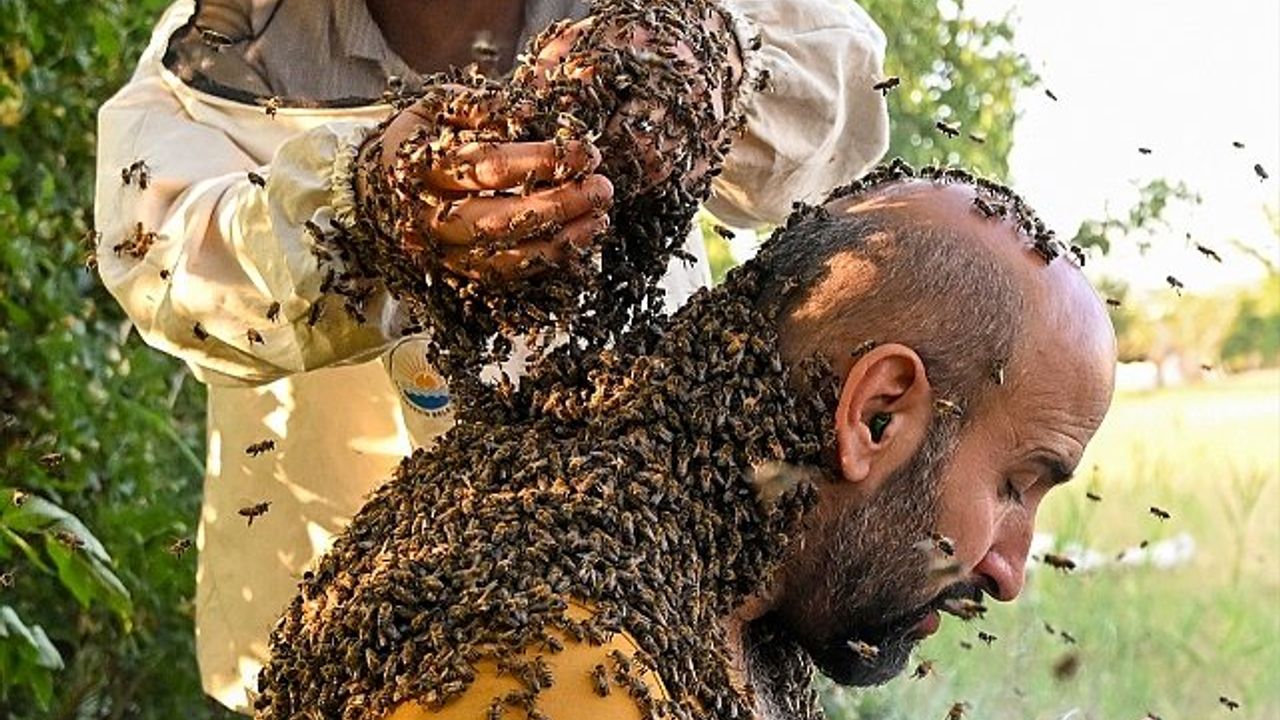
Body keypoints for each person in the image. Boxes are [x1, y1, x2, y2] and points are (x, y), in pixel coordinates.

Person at [93, 0, 891, 711]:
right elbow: (165, 261)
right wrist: (370, 209)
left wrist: (711, 52)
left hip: (645, 601)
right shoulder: (206, 55)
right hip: (342, 632)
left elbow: (837, 80)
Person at [254, 164, 1119, 719]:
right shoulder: (555, 660)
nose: (1010, 571)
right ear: (877, 415)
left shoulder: (748, 600)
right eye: (1016, 483)